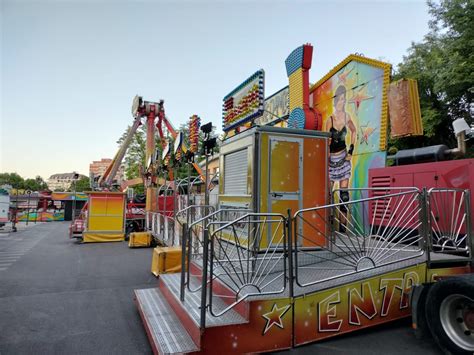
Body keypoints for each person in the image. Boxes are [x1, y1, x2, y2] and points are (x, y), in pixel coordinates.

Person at [325, 85, 357, 230]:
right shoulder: (329, 120)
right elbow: (325, 141)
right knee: (328, 194)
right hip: (331, 160)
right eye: (339, 99)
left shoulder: (347, 116)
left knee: (344, 195)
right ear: (335, 100)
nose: (341, 102)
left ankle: (342, 230)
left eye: (344, 99)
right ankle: (328, 224)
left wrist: (351, 150)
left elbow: (354, 131)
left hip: (344, 158)